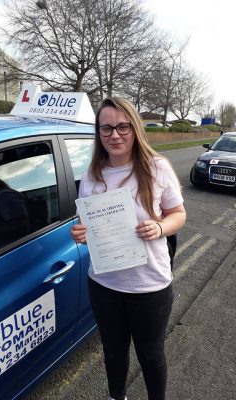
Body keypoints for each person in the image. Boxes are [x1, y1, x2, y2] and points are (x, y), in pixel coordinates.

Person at [71, 97, 186, 400]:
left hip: (149, 286)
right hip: (104, 283)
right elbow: (87, 224)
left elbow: (179, 215)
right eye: (106, 128)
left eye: (123, 126)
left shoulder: (156, 167)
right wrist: (81, 233)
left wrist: (159, 227)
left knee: (150, 354)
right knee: (113, 351)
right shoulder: (90, 176)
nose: (115, 135)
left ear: (134, 128)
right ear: (98, 133)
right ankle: (115, 396)